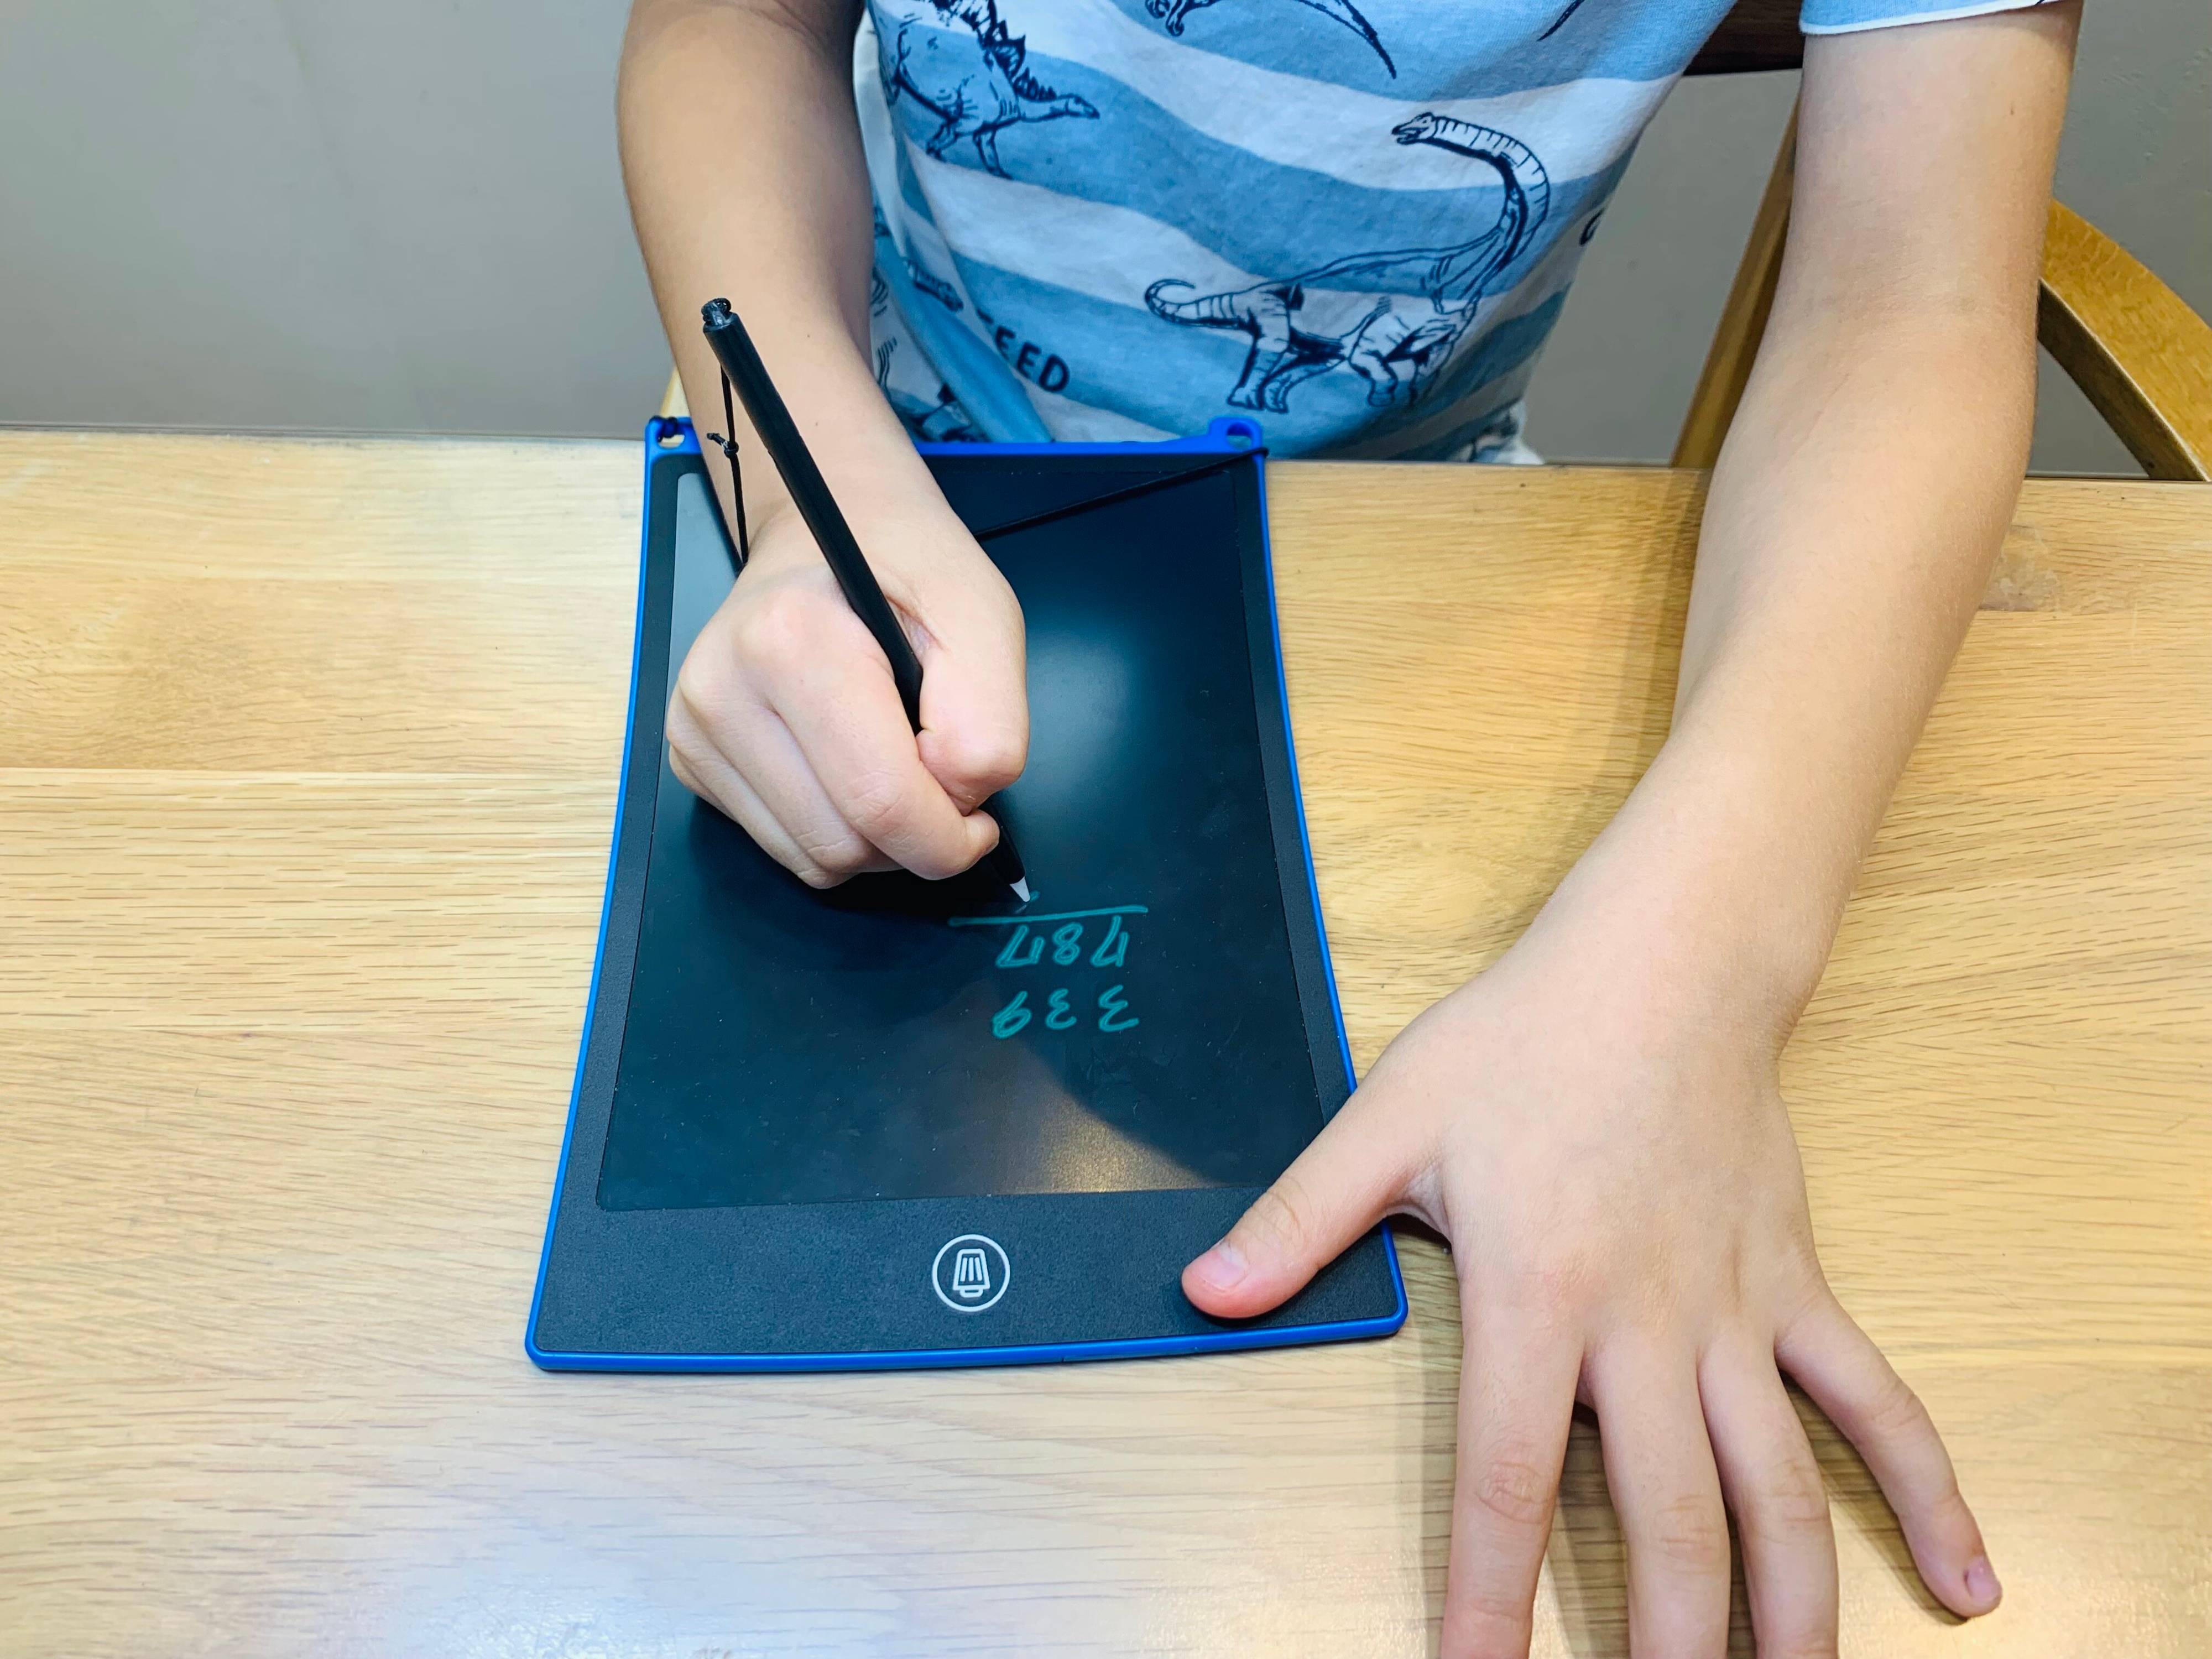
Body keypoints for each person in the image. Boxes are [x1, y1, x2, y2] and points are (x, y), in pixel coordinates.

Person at [619, 0, 2078, 1650]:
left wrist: (1699, 971)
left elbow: (1913, 304)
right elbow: (730, 24)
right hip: (871, 456)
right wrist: (801, 498)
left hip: (1410, 539)